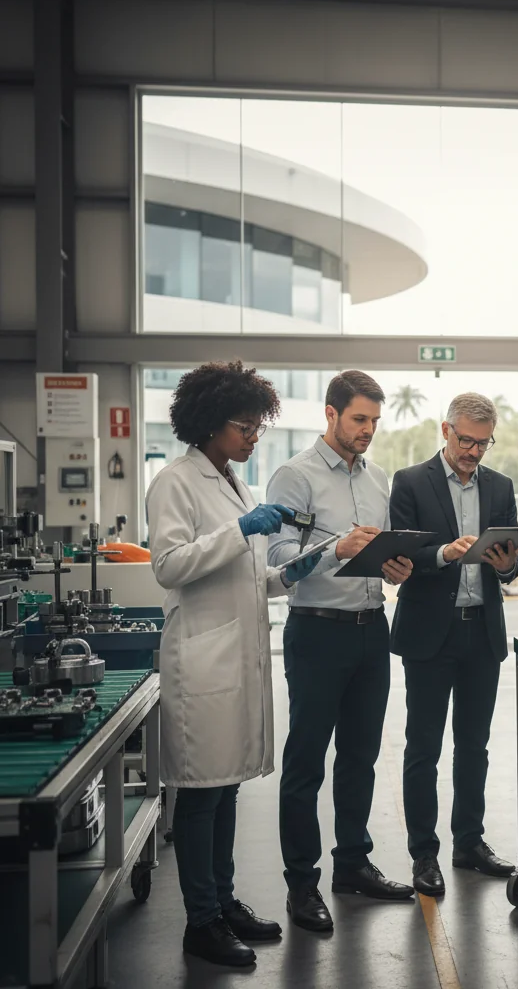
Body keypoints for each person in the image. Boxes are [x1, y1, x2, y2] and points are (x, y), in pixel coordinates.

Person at [146, 361, 322, 968]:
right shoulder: (176, 481)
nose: (253, 438)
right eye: (244, 427)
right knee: (199, 797)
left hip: (233, 656)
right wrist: (243, 531)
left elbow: (242, 575)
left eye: (257, 428)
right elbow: (169, 566)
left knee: (225, 794)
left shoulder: (233, 482)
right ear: (208, 423)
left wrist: (285, 575)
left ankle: (222, 902)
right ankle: (200, 921)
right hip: (201, 661)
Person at [267, 370, 415, 934]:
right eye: (359, 419)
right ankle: (301, 885)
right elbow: (278, 560)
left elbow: (384, 551)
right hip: (316, 630)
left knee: (360, 756)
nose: (368, 431)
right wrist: (334, 549)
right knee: (305, 763)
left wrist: (394, 565)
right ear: (330, 414)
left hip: (371, 629)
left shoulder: (377, 478)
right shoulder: (294, 476)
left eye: (375, 422)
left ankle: (351, 864)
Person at [389, 392, 518, 897]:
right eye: (466, 440)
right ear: (445, 430)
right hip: (430, 632)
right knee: (423, 749)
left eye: (482, 444)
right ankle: (424, 854)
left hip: (481, 631)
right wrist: (444, 553)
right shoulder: (409, 482)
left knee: (475, 747)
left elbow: (510, 563)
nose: (473, 451)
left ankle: (469, 842)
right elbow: (402, 552)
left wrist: (506, 562)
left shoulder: (501, 486)